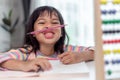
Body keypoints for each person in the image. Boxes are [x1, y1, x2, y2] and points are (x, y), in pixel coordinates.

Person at [0, 6, 94, 72]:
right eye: (42, 23)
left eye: (54, 22)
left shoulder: (68, 50)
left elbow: (100, 51)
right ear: (33, 33)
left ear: (61, 32)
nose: (49, 26)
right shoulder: (26, 53)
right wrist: (24, 65)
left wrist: (82, 55)